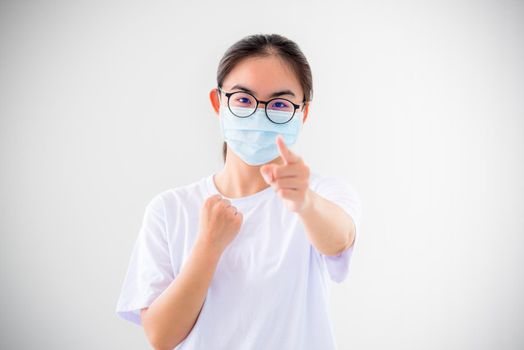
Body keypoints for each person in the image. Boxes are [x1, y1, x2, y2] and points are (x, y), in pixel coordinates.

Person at [115, 33, 362, 350]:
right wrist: (208, 245)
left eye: (280, 103)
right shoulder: (169, 209)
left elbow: (339, 241)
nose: (259, 114)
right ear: (218, 103)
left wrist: (305, 202)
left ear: (303, 113)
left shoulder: (321, 194)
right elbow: (161, 337)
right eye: (243, 99)